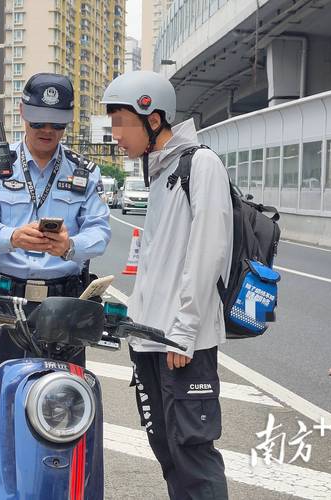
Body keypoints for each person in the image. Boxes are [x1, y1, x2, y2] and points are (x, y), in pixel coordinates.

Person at [102, 70, 233, 499]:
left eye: (121, 122)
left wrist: (184, 331)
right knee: (166, 449)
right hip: (152, 339)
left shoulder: (201, 164)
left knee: (193, 451)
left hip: (182, 343)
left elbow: (207, 251)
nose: (116, 135)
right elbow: (160, 262)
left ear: (153, 118)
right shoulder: (161, 172)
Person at [0, 72, 111, 370]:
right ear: (22, 113)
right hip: (3, 303)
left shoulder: (84, 172)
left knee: (65, 404)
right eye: (37, 122)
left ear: (67, 121)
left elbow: (100, 231)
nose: (47, 130)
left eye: (56, 124)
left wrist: (70, 246)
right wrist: (12, 237)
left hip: (63, 306)